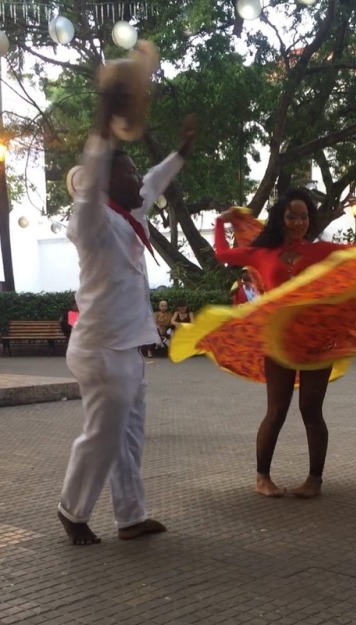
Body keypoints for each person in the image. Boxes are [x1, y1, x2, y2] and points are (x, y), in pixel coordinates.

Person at [170, 182, 356, 499]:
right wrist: (221, 222)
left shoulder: (320, 251)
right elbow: (221, 253)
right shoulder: (262, 253)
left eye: (304, 217)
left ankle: (315, 480)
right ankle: (262, 477)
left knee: (311, 410)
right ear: (280, 218)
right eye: (292, 216)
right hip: (279, 340)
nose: (299, 223)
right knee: (277, 410)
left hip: (317, 339)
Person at [57, 86, 196, 545]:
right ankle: (71, 511)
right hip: (103, 349)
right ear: (105, 183)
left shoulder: (128, 212)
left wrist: (179, 152)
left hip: (130, 347)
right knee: (101, 436)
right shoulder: (91, 221)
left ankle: (131, 517)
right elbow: (96, 175)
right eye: (129, 171)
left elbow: (154, 181)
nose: (139, 179)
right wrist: (103, 121)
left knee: (128, 438)